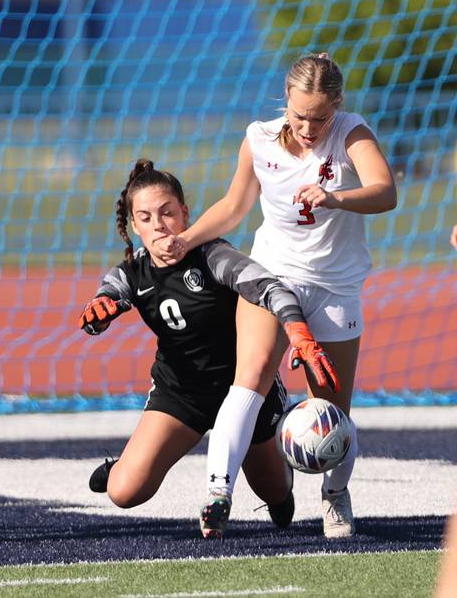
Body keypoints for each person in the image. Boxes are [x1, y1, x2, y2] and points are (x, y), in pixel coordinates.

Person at [151, 53, 396, 538]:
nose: (308, 126)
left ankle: (334, 496)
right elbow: (233, 206)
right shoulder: (258, 138)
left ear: (338, 106)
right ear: (285, 100)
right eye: (299, 114)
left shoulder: (351, 133)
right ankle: (218, 493)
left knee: (332, 408)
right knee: (252, 375)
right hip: (271, 275)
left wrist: (335, 197)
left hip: (334, 286)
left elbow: (386, 191)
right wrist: (188, 239)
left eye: (320, 117)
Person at [79, 158, 340, 539]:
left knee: (276, 496)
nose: (159, 225)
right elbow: (106, 299)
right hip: (181, 393)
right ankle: (124, 464)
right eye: (147, 218)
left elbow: (270, 287)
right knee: (124, 492)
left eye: (167, 212)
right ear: (134, 226)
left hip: (245, 390)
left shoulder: (212, 255)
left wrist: (297, 330)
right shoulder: (130, 272)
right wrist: (98, 316)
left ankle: (279, 480)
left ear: (185, 213)